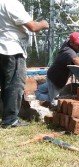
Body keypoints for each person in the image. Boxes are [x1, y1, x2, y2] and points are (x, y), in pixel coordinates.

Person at [0, 0, 49, 128]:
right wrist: (43, 24)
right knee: (15, 85)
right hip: (12, 49)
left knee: (5, 84)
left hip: (3, 49)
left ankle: (7, 117)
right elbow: (33, 27)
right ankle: (10, 120)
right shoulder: (11, 3)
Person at [35, 32, 79, 107]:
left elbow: (75, 41)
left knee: (46, 89)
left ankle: (37, 92)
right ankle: (36, 97)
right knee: (55, 102)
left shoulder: (68, 42)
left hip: (53, 75)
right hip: (55, 80)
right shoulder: (68, 51)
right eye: (78, 45)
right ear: (71, 43)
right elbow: (76, 60)